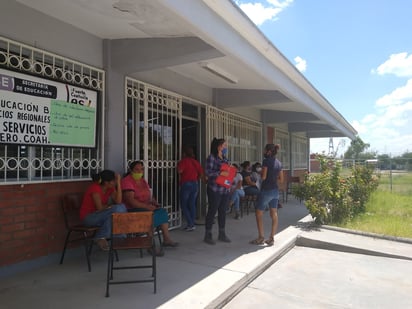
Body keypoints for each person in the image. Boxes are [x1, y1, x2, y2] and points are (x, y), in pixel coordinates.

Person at [121, 160, 178, 250]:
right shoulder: (127, 181)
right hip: (132, 209)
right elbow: (131, 201)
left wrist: (153, 202)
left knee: (162, 212)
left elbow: (149, 195)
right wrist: (147, 207)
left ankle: (166, 239)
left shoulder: (143, 181)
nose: (139, 172)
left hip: (145, 207)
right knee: (149, 216)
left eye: (141, 169)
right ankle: (150, 244)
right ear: (131, 171)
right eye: (137, 170)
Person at [80, 170, 127, 251]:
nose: (114, 182)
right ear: (106, 182)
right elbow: (100, 208)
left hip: (101, 216)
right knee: (117, 209)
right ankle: (106, 236)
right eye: (113, 181)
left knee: (120, 207)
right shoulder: (95, 188)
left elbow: (118, 201)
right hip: (89, 218)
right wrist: (111, 207)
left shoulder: (110, 189)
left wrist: (119, 183)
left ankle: (106, 236)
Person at [250, 144, 283, 246]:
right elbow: (281, 179)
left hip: (266, 190)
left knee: (259, 213)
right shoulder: (279, 163)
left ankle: (261, 237)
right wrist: (273, 178)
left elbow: (263, 177)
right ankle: (271, 238)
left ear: (269, 151)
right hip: (275, 191)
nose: (264, 152)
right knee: (274, 213)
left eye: (265, 150)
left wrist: (260, 173)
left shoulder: (266, 161)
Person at [204, 138, 232, 245]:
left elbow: (227, 172)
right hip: (214, 189)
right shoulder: (211, 158)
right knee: (212, 211)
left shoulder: (224, 158)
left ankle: (222, 233)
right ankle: (208, 234)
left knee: (222, 211)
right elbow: (208, 172)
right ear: (219, 146)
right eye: (224, 145)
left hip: (224, 189)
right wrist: (220, 173)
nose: (225, 147)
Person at [177, 145, 205, 231]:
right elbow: (201, 174)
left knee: (184, 205)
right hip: (195, 184)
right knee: (192, 204)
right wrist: (196, 179)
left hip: (186, 184)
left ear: (184, 153)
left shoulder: (183, 161)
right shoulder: (196, 162)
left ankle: (190, 224)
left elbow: (180, 171)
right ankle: (192, 223)